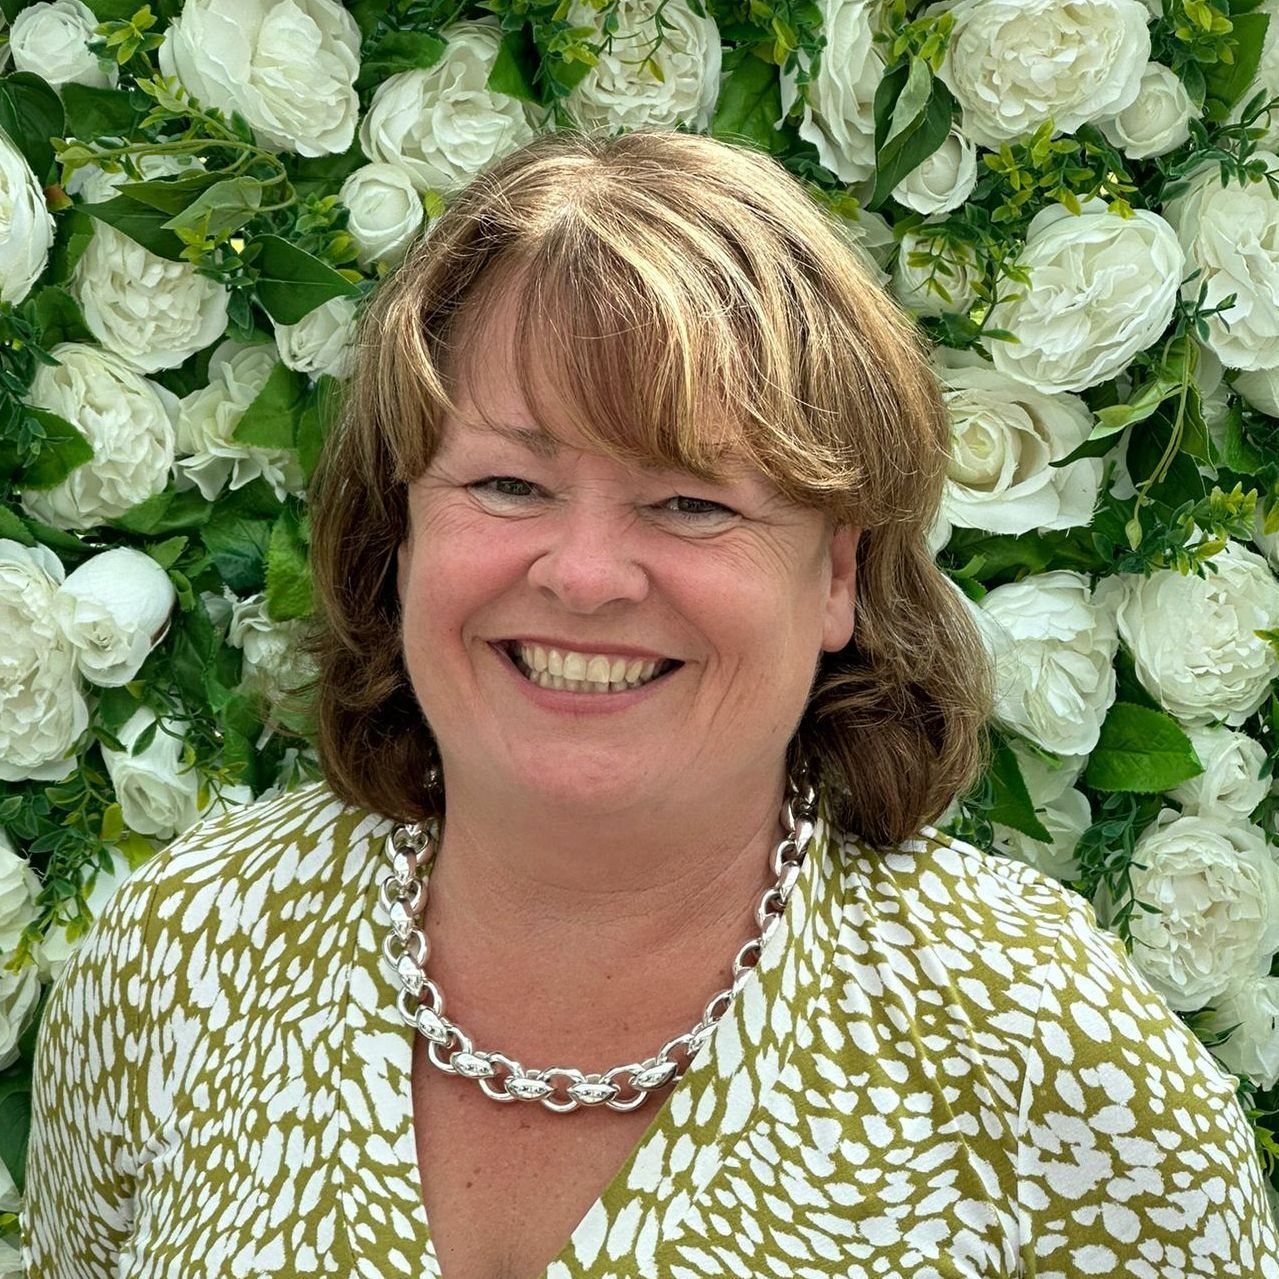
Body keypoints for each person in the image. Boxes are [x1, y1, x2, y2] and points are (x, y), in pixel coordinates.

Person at [21, 127, 1279, 1279]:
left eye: (690, 502)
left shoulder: (1049, 1050)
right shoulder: (182, 952)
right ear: (398, 527)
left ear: (836, 570)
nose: (580, 574)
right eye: (509, 483)